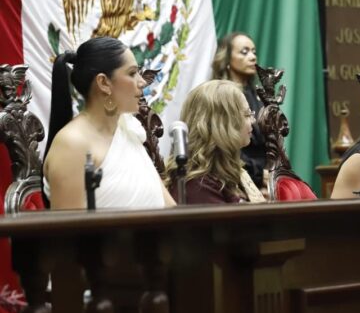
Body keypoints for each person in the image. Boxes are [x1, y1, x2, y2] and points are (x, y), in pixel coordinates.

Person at [43, 37, 176, 210]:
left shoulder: (126, 128)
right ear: (104, 83)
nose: (142, 82)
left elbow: (168, 205)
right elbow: (68, 226)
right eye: (132, 73)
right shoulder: (71, 144)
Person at [165, 80, 265, 204]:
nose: (253, 121)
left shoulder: (226, 172)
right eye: (247, 114)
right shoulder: (198, 186)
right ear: (222, 124)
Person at [212, 32, 267, 190]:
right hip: (236, 180)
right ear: (227, 58)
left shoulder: (259, 95)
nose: (252, 57)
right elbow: (222, 147)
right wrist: (258, 176)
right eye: (244, 52)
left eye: (254, 52)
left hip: (267, 179)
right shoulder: (220, 96)